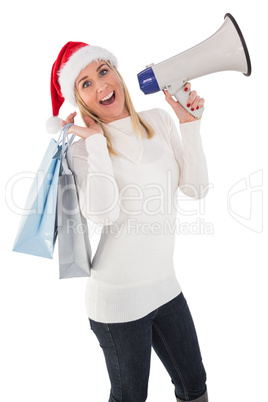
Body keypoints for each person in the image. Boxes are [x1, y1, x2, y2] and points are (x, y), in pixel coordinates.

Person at [47, 41, 209, 402]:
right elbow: (103, 214)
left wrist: (190, 125)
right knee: (130, 397)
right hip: (117, 300)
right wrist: (97, 145)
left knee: (194, 386)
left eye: (103, 72)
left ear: (117, 74)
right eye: (85, 83)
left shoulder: (159, 120)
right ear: (79, 100)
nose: (101, 86)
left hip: (166, 287)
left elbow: (196, 190)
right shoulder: (82, 146)